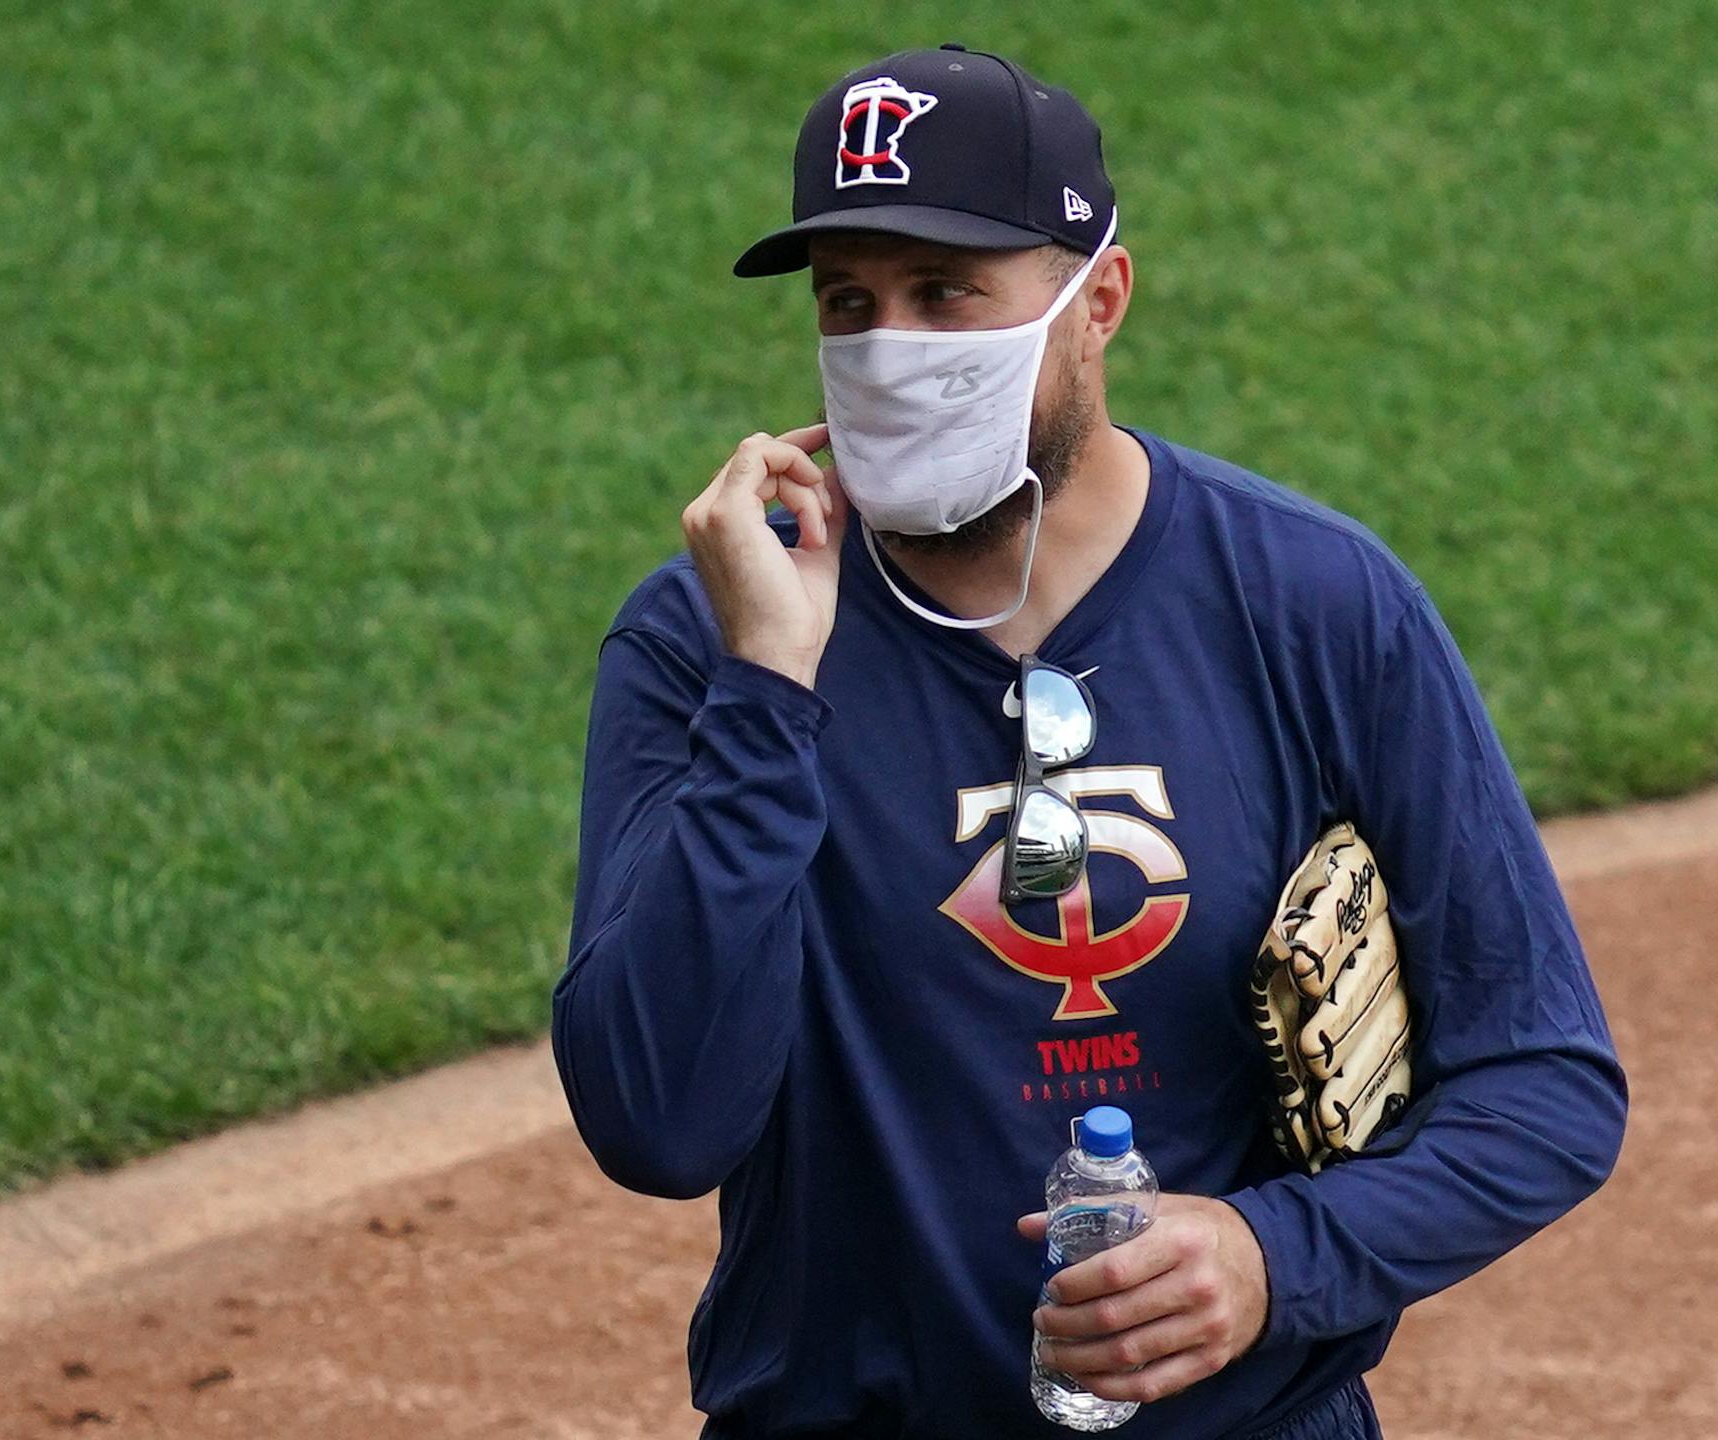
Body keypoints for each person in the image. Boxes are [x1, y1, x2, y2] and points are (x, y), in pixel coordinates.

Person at [552, 43, 1627, 1440]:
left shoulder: (1314, 605)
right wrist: (770, 690)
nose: (893, 347)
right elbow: (657, 1123)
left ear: (1096, 301)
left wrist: (1270, 1258)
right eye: (850, 303)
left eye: (947, 294)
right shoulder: (704, 641)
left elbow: (1544, 1081)